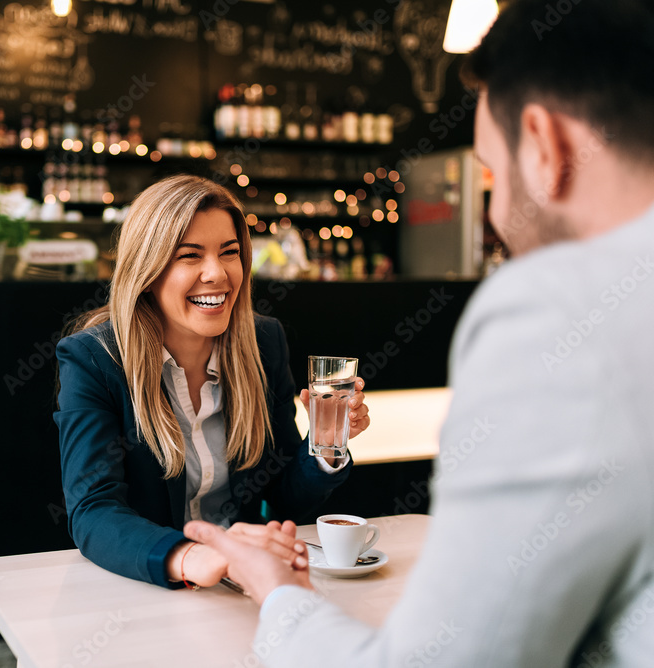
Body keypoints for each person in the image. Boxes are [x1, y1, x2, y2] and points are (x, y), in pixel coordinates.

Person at [184, 0, 654, 665]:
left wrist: (279, 596)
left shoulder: (558, 310)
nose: (491, 212)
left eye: (489, 175)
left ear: (545, 145)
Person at [54, 174, 371, 589]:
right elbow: (93, 510)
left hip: (240, 583)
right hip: (144, 583)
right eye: (190, 255)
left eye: (229, 252)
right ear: (147, 269)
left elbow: (282, 497)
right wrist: (191, 557)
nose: (216, 273)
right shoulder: (94, 358)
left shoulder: (263, 342)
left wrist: (326, 443)